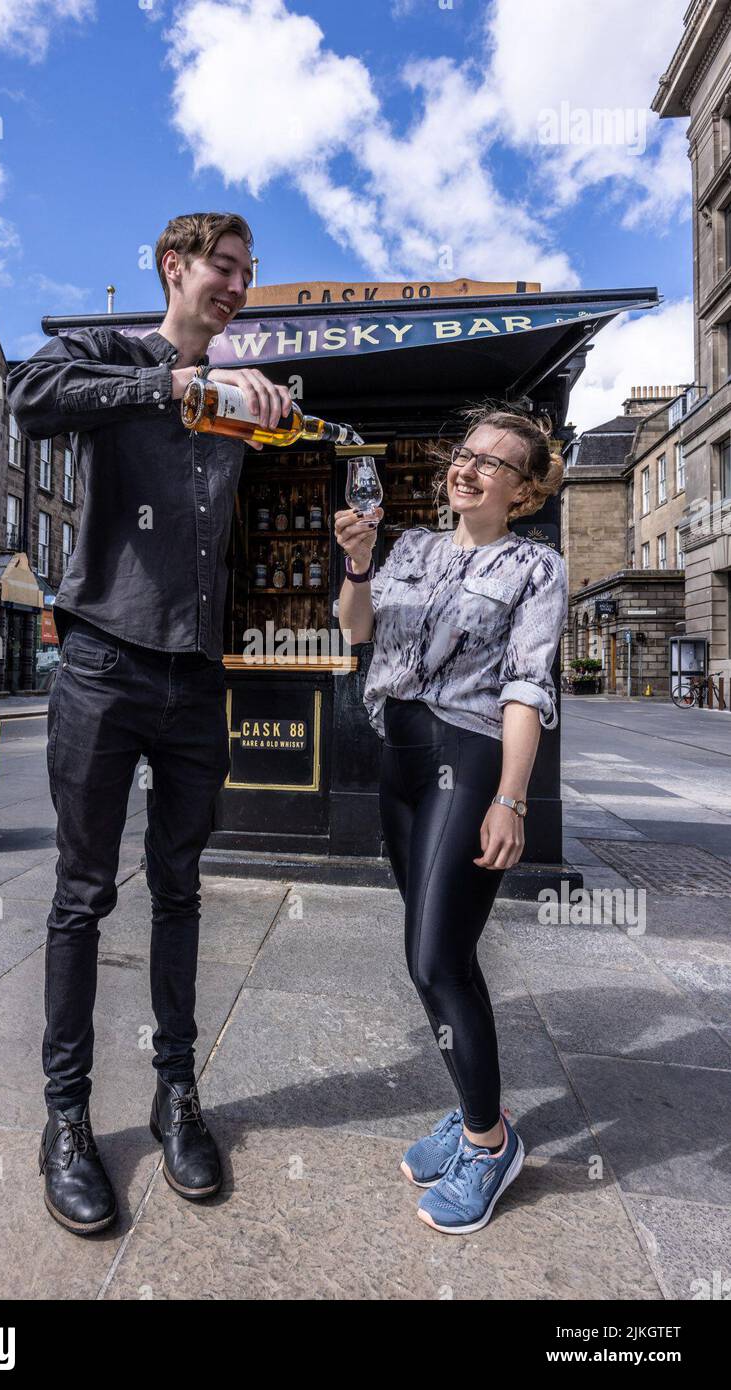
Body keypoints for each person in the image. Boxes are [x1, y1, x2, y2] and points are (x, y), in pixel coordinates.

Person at [6, 212, 294, 1235]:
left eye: (248, 275)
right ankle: (67, 1120)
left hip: (194, 678)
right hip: (99, 661)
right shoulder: (111, 358)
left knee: (180, 888)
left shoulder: (243, 401)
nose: (238, 286)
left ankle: (178, 1096)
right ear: (175, 267)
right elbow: (28, 397)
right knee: (82, 894)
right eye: (225, 268)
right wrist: (165, 384)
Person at [335, 406, 567, 1236]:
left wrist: (511, 797)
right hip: (396, 758)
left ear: (525, 489)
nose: (466, 471)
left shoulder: (532, 567)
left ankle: (487, 1141)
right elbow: (357, 632)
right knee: (429, 955)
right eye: (463, 456)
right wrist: (357, 563)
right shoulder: (413, 548)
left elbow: (527, 687)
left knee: (435, 958)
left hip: (465, 761)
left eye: (493, 464)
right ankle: (474, 1110)